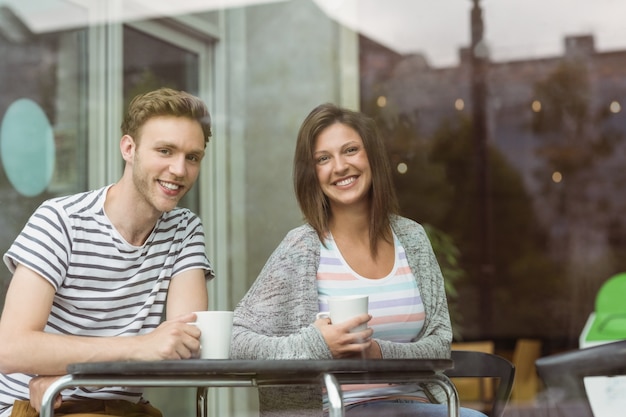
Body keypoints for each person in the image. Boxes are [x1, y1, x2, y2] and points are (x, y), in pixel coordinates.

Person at [231, 103, 486, 417]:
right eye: (323, 159)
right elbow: (238, 341)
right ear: (312, 173)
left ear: (372, 158)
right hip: (336, 409)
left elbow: (439, 343)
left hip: (416, 406)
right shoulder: (301, 247)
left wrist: (377, 352)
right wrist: (317, 344)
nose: (339, 167)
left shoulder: (412, 238)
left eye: (350, 150)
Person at [0, 87, 215, 417]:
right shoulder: (62, 220)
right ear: (129, 148)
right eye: (165, 151)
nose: (179, 170)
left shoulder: (184, 229)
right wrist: (138, 348)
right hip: (39, 406)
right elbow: (10, 347)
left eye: (192, 157)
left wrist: (74, 369)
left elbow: (183, 344)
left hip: (124, 410)